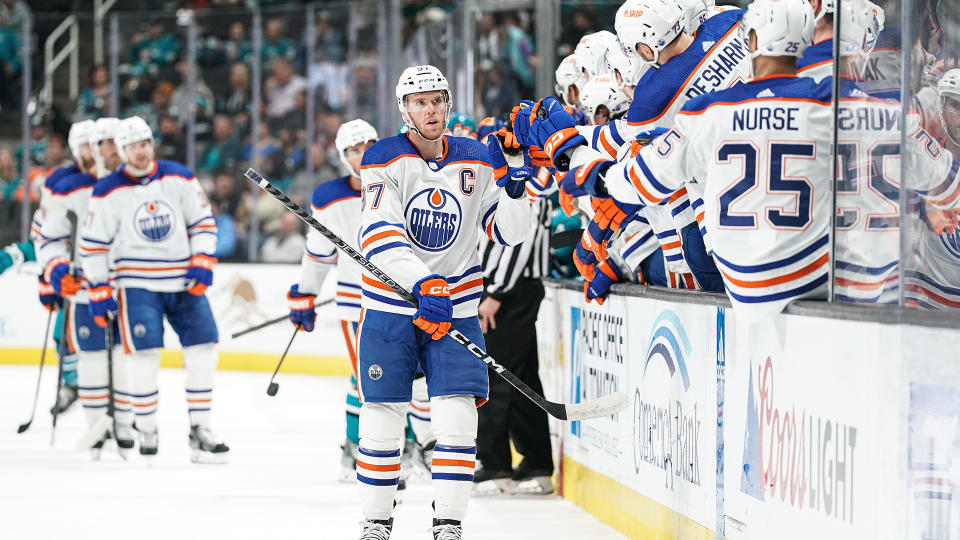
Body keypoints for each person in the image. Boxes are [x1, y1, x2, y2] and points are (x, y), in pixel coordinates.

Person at [545, 0, 832, 319]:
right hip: (814, 243)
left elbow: (638, 166)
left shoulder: (671, 103)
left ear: (643, 46)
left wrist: (590, 167)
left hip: (727, 245)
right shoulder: (729, 23)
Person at [354, 65, 533, 540]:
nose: (430, 109)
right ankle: (376, 521)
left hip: (455, 308)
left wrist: (518, 185)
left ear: (447, 103)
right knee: (382, 417)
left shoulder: (475, 158)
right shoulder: (383, 157)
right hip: (393, 309)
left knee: (457, 419)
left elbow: (511, 232)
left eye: (437, 100)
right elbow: (378, 234)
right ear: (404, 108)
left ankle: (447, 525)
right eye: (419, 102)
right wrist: (421, 285)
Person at [78, 115, 229, 463]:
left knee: (204, 348)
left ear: (152, 144)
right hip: (136, 283)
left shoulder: (178, 175)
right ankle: (146, 426)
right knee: (144, 355)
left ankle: (200, 430)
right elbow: (92, 245)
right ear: (120, 151)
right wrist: (99, 289)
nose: (140, 152)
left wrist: (202, 259)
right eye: (131, 147)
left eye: (144, 144)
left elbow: (203, 222)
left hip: (183, 279)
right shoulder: (107, 189)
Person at [39, 119, 135, 456]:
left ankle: (124, 421)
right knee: (91, 354)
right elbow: (46, 237)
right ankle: (96, 423)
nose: (106, 150)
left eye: (113, 142)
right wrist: (53, 273)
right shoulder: (68, 187)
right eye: (99, 143)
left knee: (125, 356)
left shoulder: (135, 184)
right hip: (84, 286)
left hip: (126, 285)